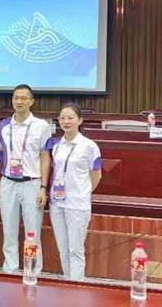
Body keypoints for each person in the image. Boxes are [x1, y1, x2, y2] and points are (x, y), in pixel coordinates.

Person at [0, 84, 51, 274]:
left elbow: (45, 157)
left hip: (32, 183)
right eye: (16, 97)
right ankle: (10, 269)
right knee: (9, 231)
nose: (19, 101)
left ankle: (33, 270)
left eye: (24, 98)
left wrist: (43, 186)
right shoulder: (3, 126)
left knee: (32, 232)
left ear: (32, 101)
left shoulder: (41, 126)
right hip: (8, 182)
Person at [47, 103, 102, 281]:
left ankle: (76, 287)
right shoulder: (57, 145)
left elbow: (96, 175)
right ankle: (67, 283)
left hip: (77, 204)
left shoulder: (89, 146)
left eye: (70, 118)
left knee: (75, 250)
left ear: (80, 120)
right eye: (62, 118)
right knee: (63, 248)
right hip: (57, 203)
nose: (66, 121)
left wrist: (84, 192)